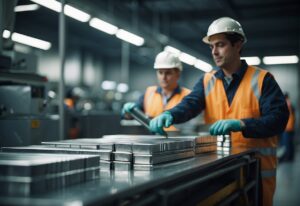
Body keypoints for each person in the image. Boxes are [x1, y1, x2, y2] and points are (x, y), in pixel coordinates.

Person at [149, 17, 289, 206]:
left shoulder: (263, 80)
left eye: (220, 45)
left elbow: (278, 119)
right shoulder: (207, 80)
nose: (214, 51)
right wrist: (170, 114)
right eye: (212, 46)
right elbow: (190, 104)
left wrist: (242, 124)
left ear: (238, 45)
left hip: (256, 172)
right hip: (218, 172)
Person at [122, 51, 191, 131]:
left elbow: (192, 125)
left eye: (168, 73)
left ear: (177, 74)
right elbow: (132, 116)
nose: (163, 77)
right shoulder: (149, 93)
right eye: (160, 72)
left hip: (180, 140)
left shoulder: (188, 96)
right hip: (152, 140)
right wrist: (128, 112)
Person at [279, 92, 295, 162]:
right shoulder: (290, 103)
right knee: (290, 143)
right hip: (290, 126)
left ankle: (287, 157)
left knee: (286, 143)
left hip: (287, 127)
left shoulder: (287, 103)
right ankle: (290, 157)